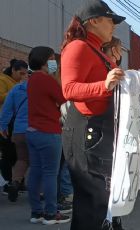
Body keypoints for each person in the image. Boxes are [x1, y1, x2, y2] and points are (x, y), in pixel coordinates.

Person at [60, 1, 126, 229]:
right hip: (87, 133)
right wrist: (104, 85)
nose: (114, 26)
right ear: (94, 21)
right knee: (91, 205)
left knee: (103, 203)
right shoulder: (78, 47)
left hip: (99, 133)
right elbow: (68, 89)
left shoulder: (97, 50)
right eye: (111, 20)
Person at [102, 37, 140, 197]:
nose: (121, 53)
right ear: (114, 50)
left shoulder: (117, 70)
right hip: (110, 123)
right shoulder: (106, 69)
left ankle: (139, 182)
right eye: (120, 49)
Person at [26, 46, 69, 224]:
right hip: (49, 132)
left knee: (35, 172)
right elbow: (63, 99)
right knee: (51, 173)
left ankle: (36, 212)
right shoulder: (48, 80)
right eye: (52, 59)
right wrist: (57, 76)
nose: (55, 62)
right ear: (45, 61)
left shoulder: (32, 79)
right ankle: (51, 213)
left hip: (32, 131)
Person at [0, 70, 29, 202]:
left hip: (19, 130)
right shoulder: (43, 88)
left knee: (22, 159)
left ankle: (15, 182)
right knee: (38, 163)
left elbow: (7, 109)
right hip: (38, 130)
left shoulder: (16, 89)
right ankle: (39, 193)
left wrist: (3, 126)